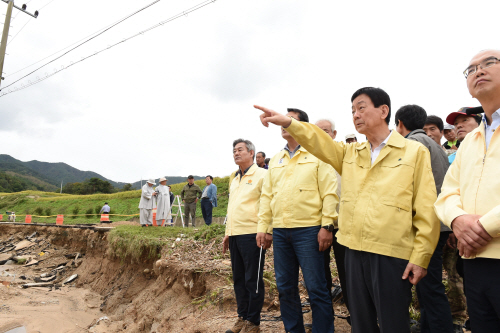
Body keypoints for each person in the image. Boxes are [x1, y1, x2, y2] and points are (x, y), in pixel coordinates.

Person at [255, 87, 440, 333]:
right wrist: (289, 122)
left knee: (393, 323)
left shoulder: (413, 151)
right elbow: (317, 141)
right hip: (353, 251)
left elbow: (426, 208)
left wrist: (421, 256)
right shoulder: (350, 153)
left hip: (391, 253)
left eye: (361, 107)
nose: (355, 114)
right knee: (361, 322)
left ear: (384, 111)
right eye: (352, 110)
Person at [435, 49, 500, 332]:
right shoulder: (471, 140)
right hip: (473, 258)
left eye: (489, 63)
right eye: (471, 68)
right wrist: (458, 221)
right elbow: (448, 193)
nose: (478, 71)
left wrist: (483, 227)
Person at [257, 108, 338, 333]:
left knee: (317, 288)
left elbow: (330, 193)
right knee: (285, 288)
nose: (284, 123)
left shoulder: (317, 154)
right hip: (282, 233)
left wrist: (327, 226)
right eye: (284, 119)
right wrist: (264, 228)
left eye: (291, 120)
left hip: (309, 231)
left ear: (303, 126)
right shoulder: (277, 159)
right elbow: (267, 196)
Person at [394, 104, 454, 333]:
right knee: (427, 284)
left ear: (400, 123)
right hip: (439, 221)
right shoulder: (434, 144)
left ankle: (440, 329)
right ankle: (429, 327)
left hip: (425, 225)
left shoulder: (412, 144)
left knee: (430, 286)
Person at [223, 139, 269, 333]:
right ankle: (242, 317)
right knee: (239, 279)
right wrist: (227, 233)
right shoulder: (235, 178)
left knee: (253, 278)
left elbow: (268, 203)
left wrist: (266, 229)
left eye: (240, 150)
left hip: (253, 234)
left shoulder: (263, 175)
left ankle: (253, 321)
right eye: (234, 150)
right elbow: (231, 206)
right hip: (235, 234)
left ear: (251, 153)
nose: (236, 153)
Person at [315, 118, 351, 323]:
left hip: (343, 225)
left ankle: (356, 315)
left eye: (326, 131)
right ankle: (324, 317)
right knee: (321, 274)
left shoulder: (345, 154)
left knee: (348, 273)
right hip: (318, 225)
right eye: (318, 131)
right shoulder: (310, 156)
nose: (323, 134)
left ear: (334, 134)